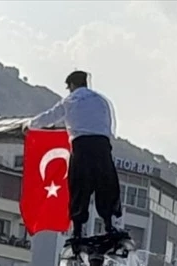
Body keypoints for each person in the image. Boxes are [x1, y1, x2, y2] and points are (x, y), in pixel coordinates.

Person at [26, 70, 123, 238]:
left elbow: (49, 118)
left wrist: (29, 125)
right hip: (102, 147)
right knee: (106, 185)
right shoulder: (101, 101)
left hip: (82, 147)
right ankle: (109, 224)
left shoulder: (70, 101)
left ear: (71, 85)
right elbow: (110, 126)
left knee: (79, 187)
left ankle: (77, 229)